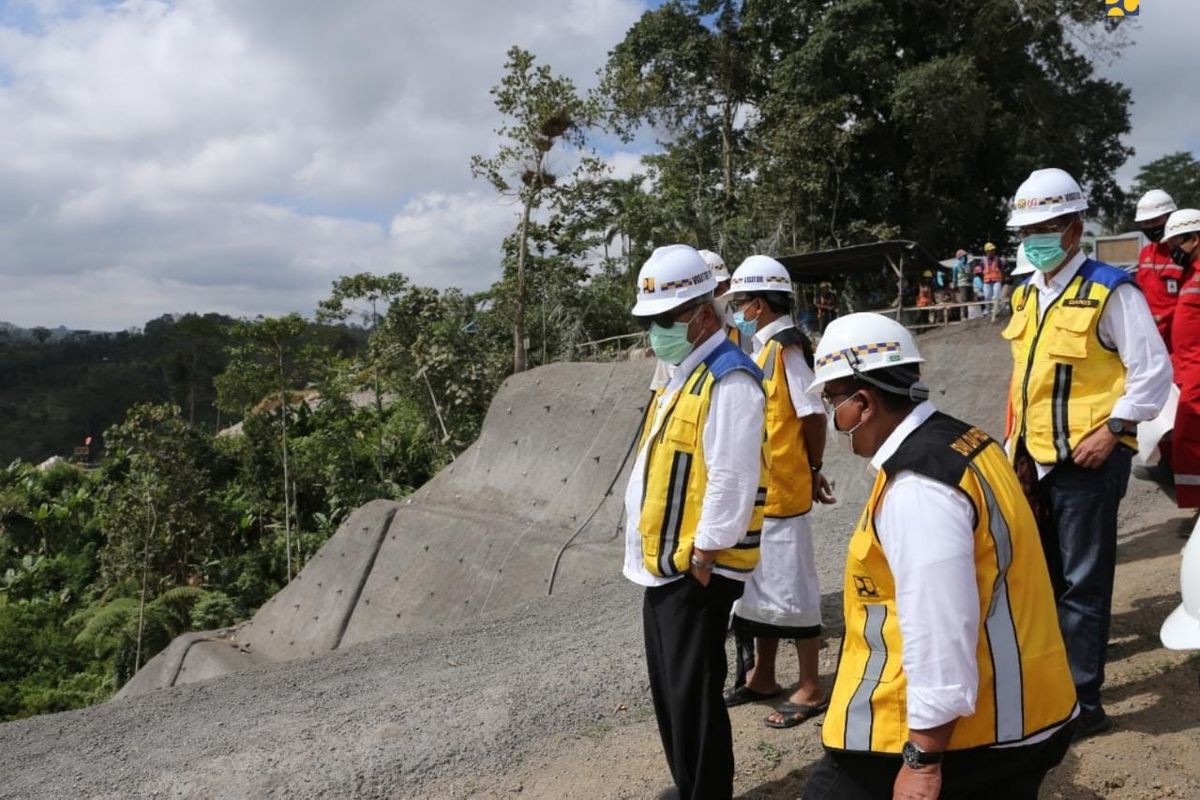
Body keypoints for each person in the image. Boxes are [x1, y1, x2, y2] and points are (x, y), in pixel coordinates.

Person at [802, 312, 1078, 800]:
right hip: (1028, 712)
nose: (833, 418)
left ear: (863, 402)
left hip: (969, 735)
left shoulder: (919, 486)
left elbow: (939, 625)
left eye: (833, 402)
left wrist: (923, 759)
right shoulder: (968, 442)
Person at [1002, 168, 1172, 740]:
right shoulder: (1029, 291)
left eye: (1046, 227)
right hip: (1036, 459)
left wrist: (1115, 427)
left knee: (1083, 582)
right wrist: (1016, 446)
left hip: (1089, 460)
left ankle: (1082, 703)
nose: (1035, 239)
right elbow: (1025, 376)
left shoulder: (1110, 289)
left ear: (1075, 228)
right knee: (1044, 578)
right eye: (1027, 229)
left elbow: (1153, 372)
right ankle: (1053, 690)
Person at [625, 244, 767, 800]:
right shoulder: (682, 372)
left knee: (696, 692)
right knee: (673, 690)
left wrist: (704, 554)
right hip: (666, 563)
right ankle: (689, 784)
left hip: (694, 565)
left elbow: (732, 478)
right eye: (650, 321)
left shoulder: (730, 380)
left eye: (666, 320)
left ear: (705, 314)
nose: (655, 331)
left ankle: (706, 791)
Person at [719, 255, 835, 729]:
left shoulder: (787, 348)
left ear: (762, 304)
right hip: (762, 495)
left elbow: (812, 414)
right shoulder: (762, 349)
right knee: (756, 591)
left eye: (741, 302)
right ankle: (763, 675)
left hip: (785, 494)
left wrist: (812, 467)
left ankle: (810, 685)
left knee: (795, 591)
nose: (737, 310)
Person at [649, 249, 735, 393]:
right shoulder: (673, 344)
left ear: (729, 285)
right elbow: (659, 393)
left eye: (717, 290)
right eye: (706, 294)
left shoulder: (749, 333)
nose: (712, 300)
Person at [1165, 209, 1200, 518]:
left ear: (1196, 238)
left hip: (1198, 373)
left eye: (1178, 242)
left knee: (1190, 441)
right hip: (1185, 369)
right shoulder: (1191, 271)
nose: (1173, 249)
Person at [1134, 189, 1182, 352]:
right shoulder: (1145, 253)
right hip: (1150, 338)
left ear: (1170, 217)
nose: (1149, 227)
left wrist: (1163, 317)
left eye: (1155, 221)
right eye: (1145, 222)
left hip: (1179, 339)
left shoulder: (1186, 253)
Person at [982, 242, 1004, 312]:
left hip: (997, 281)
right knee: (987, 296)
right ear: (987, 251)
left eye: (993, 250)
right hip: (987, 281)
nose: (992, 252)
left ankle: (996, 310)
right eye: (991, 250)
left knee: (996, 295)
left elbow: (1001, 269)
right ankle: (988, 310)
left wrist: (1003, 279)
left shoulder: (998, 259)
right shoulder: (983, 261)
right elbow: (982, 269)